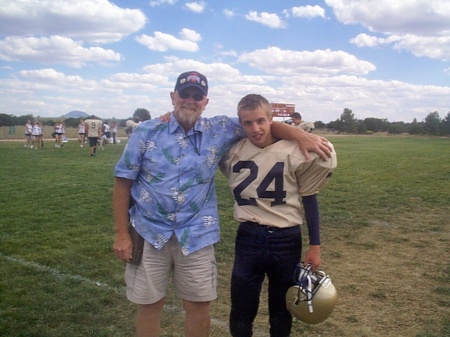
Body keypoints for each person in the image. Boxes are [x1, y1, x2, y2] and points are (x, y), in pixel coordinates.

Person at [113, 71, 332, 337]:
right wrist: (122, 234)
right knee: (149, 305)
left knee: (199, 305)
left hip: (196, 235)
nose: (190, 100)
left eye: (197, 95)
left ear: (206, 101)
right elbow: (123, 181)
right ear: (173, 97)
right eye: (185, 94)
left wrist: (300, 136)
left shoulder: (218, 129)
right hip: (149, 232)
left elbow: (265, 124)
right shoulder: (147, 130)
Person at [219, 94, 337, 337]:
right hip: (248, 237)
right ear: (241, 125)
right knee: (241, 310)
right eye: (248, 123)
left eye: (261, 121)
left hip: (286, 239)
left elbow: (309, 197)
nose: (255, 128)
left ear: (271, 119)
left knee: (282, 311)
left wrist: (315, 245)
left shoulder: (296, 150)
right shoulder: (232, 151)